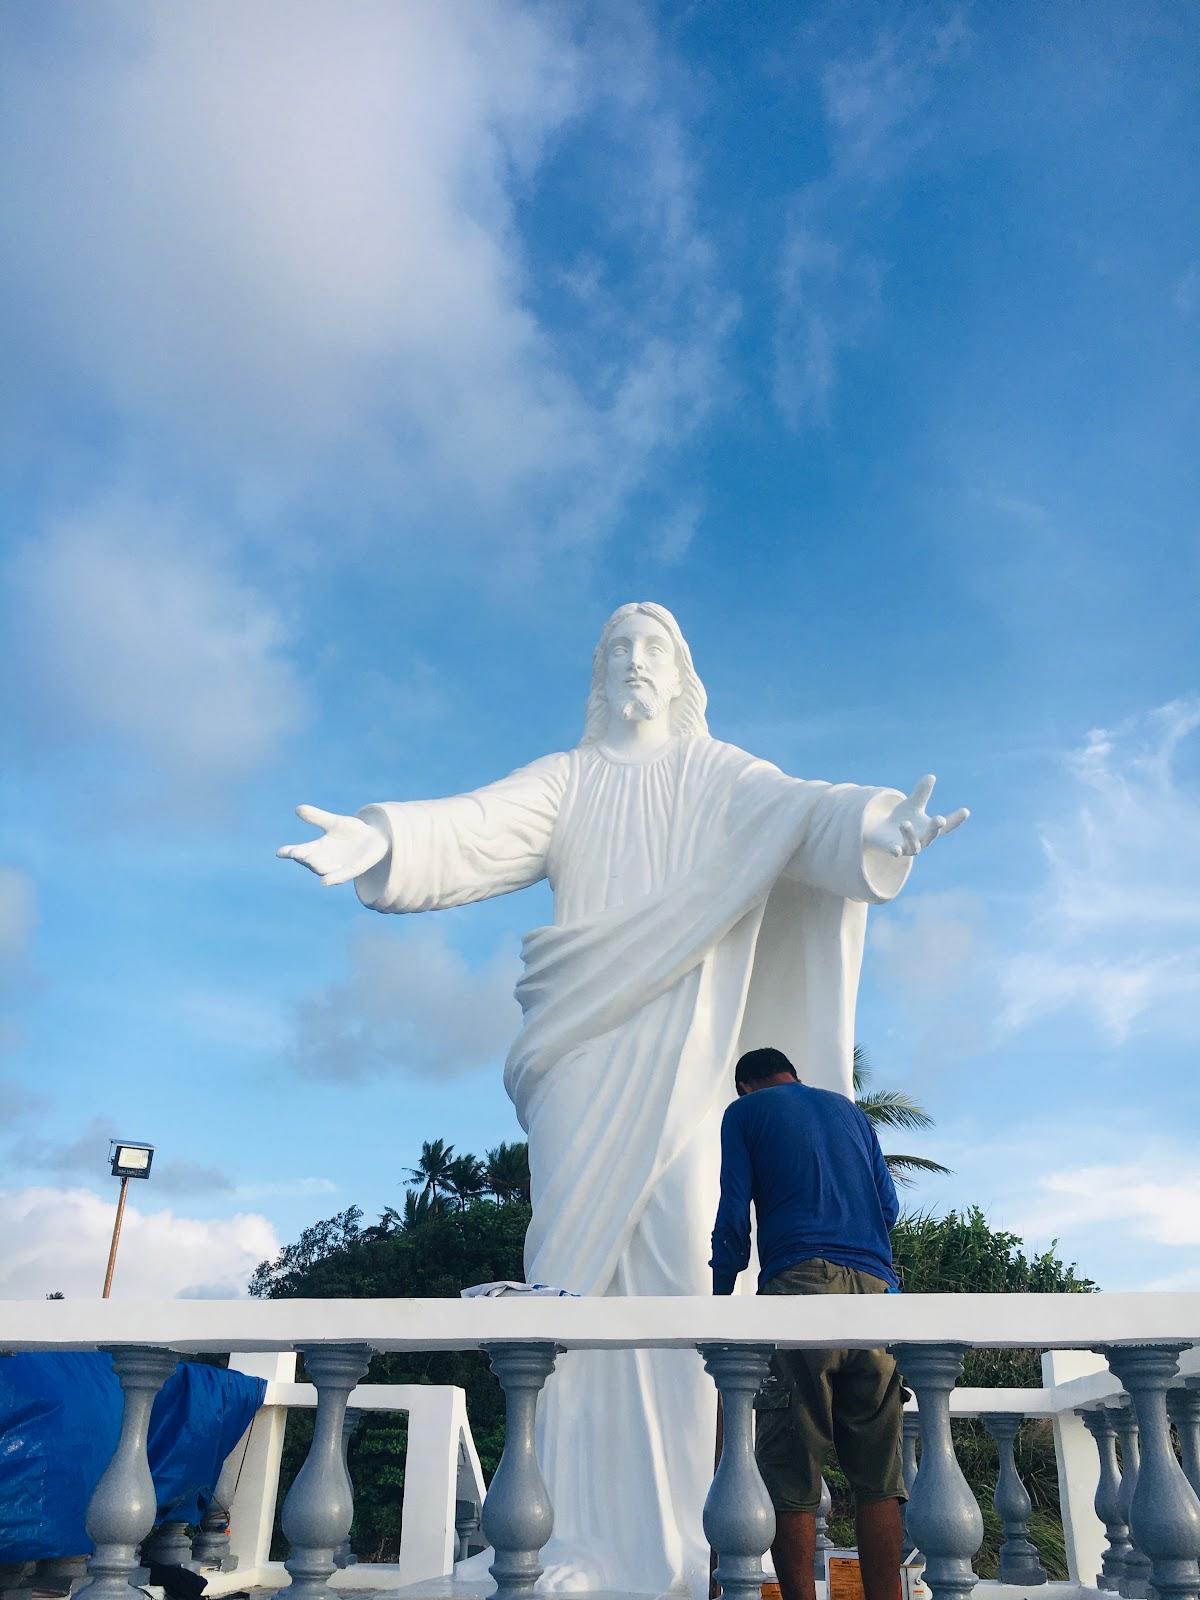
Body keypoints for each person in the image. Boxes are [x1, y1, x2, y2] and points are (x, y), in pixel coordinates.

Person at [279, 602, 964, 1597]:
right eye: (619, 651)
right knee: (567, 1272)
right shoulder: (568, 781)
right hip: (581, 1060)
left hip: (687, 1073)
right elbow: (472, 827)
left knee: (685, 1265)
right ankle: (568, 1536)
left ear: (680, 673)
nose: (635, 664)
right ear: (600, 675)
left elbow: (809, 813)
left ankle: (692, 1531)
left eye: (654, 650)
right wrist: (382, 840)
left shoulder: (720, 775)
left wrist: (879, 823)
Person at [711, 1046, 906, 1600]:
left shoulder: (744, 1114)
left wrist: (723, 1296)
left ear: (745, 1086)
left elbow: (733, 1212)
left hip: (800, 1284)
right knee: (878, 1475)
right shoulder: (851, 1112)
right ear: (792, 1073)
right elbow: (886, 1208)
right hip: (875, 1291)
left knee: (792, 1467)